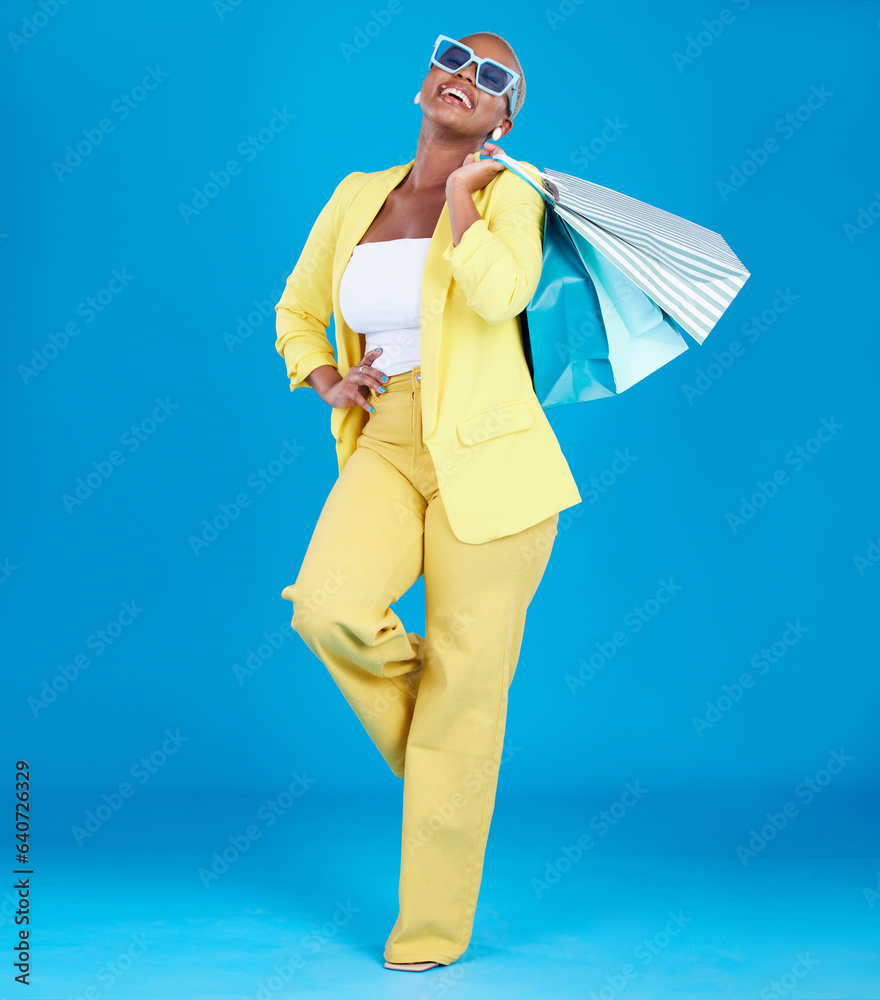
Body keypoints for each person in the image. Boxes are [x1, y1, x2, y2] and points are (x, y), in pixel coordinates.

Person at [274, 31, 582, 972]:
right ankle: (452, 762)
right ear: (426, 79)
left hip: (492, 459)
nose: (467, 77)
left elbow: (501, 297)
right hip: (389, 438)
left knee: (467, 682)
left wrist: (461, 206)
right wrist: (324, 375)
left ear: (505, 117)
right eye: (456, 56)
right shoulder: (354, 193)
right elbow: (296, 308)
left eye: (495, 77)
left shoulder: (511, 193)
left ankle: (431, 936)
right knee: (328, 610)